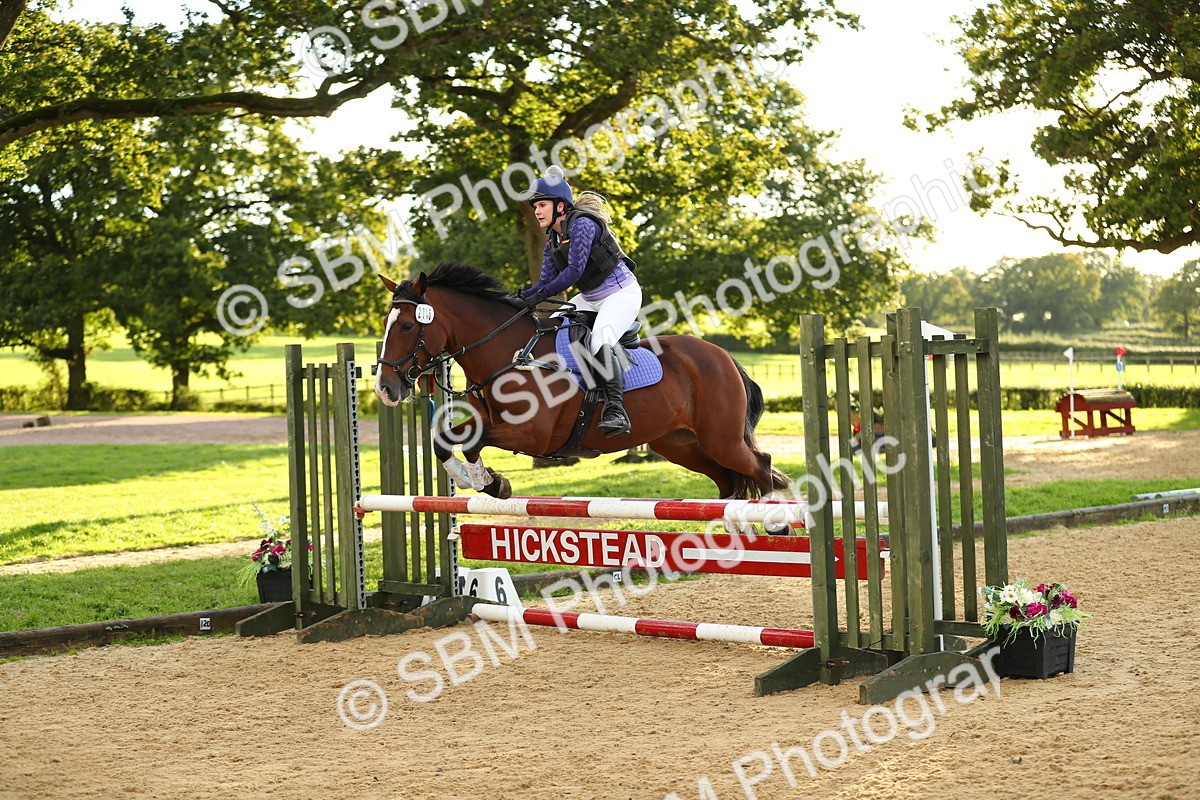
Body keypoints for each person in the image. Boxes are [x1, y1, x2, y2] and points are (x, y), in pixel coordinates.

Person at [520, 165, 641, 437]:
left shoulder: (582, 224)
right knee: (552, 328)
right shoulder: (552, 239)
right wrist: (520, 299)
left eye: (542, 205)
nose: (536, 211)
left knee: (599, 341)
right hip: (589, 297)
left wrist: (537, 296)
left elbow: (574, 271)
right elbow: (544, 282)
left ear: (561, 206)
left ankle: (616, 410)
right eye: (535, 206)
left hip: (621, 294)